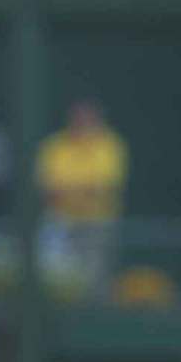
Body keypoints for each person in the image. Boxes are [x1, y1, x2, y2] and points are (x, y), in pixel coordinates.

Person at [35, 99, 128, 300]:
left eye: (87, 119)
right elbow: (49, 188)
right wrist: (79, 190)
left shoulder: (109, 145)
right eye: (78, 119)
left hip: (97, 223)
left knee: (95, 279)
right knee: (57, 278)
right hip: (60, 223)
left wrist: (69, 190)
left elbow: (103, 187)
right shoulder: (55, 145)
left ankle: (97, 320)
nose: (82, 123)